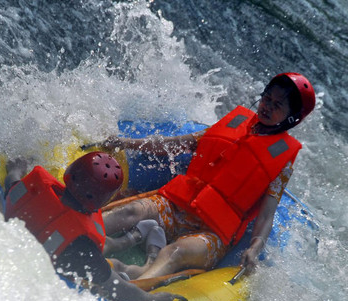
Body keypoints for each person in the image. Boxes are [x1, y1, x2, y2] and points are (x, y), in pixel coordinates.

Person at [98, 72, 316, 280]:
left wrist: (254, 249)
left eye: (277, 105)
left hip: (212, 234)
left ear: (292, 118)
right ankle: (83, 234)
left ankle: (133, 288)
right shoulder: (233, 125)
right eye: (266, 98)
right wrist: (125, 143)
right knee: (131, 210)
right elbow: (175, 144)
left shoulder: (282, 164)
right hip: (176, 208)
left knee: (176, 252)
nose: (267, 106)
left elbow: (267, 215)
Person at [3, 151, 183, 301]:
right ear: (102, 201)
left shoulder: (34, 190)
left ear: (70, 172)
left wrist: (16, 169)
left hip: (26, 251)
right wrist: (151, 300)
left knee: (91, 247)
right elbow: (116, 287)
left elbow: (12, 180)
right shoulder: (82, 246)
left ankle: (127, 240)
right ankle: (149, 261)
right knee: (117, 267)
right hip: (51, 270)